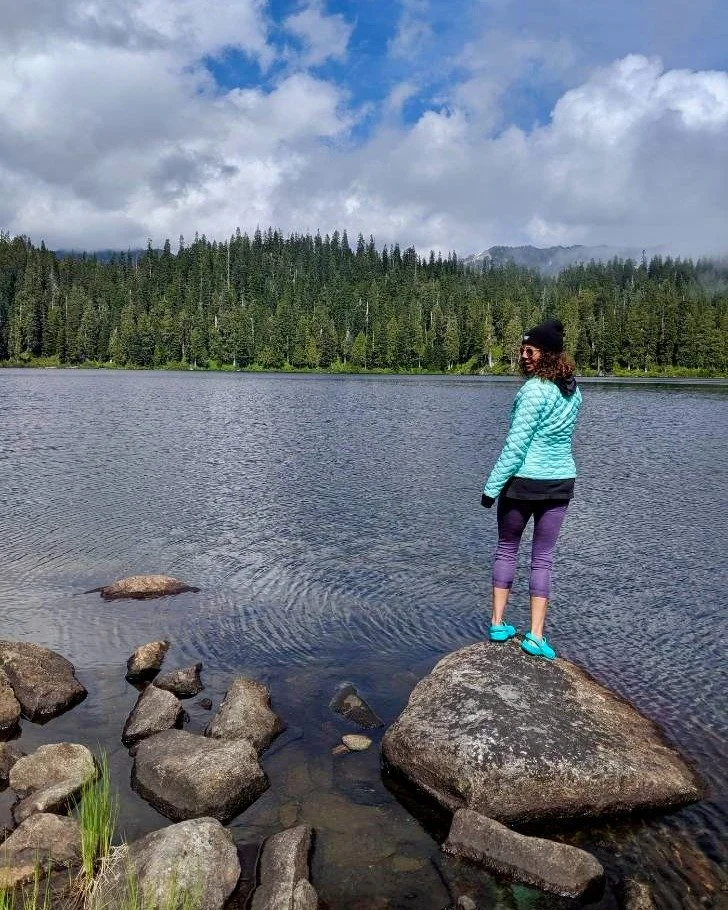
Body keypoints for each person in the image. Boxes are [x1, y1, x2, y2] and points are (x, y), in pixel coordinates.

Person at [481, 318, 582, 660]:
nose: (524, 356)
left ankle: (498, 623)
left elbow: (515, 447)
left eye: (531, 350)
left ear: (547, 354)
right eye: (522, 350)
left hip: (524, 483)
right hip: (559, 483)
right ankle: (536, 636)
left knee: (507, 549)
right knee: (543, 559)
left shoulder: (534, 390)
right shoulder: (572, 389)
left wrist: (490, 488)